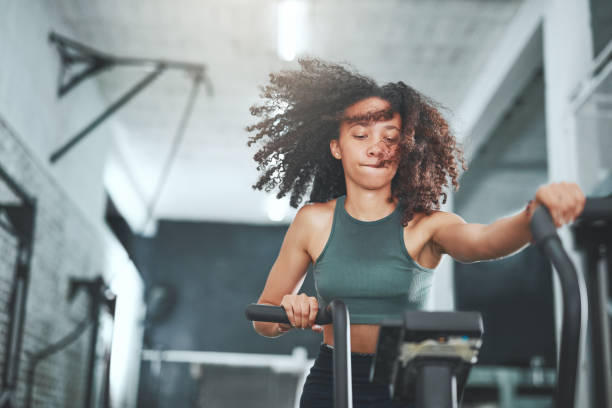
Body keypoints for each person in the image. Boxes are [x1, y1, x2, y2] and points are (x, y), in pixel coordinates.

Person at [248, 58, 585, 407]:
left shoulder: (428, 225)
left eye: (390, 139)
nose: (376, 148)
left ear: (405, 149)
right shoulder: (313, 221)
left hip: (406, 383)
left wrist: (533, 216)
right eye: (361, 135)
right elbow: (264, 316)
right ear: (336, 147)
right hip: (331, 382)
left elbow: (485, 241)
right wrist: (290, 312)